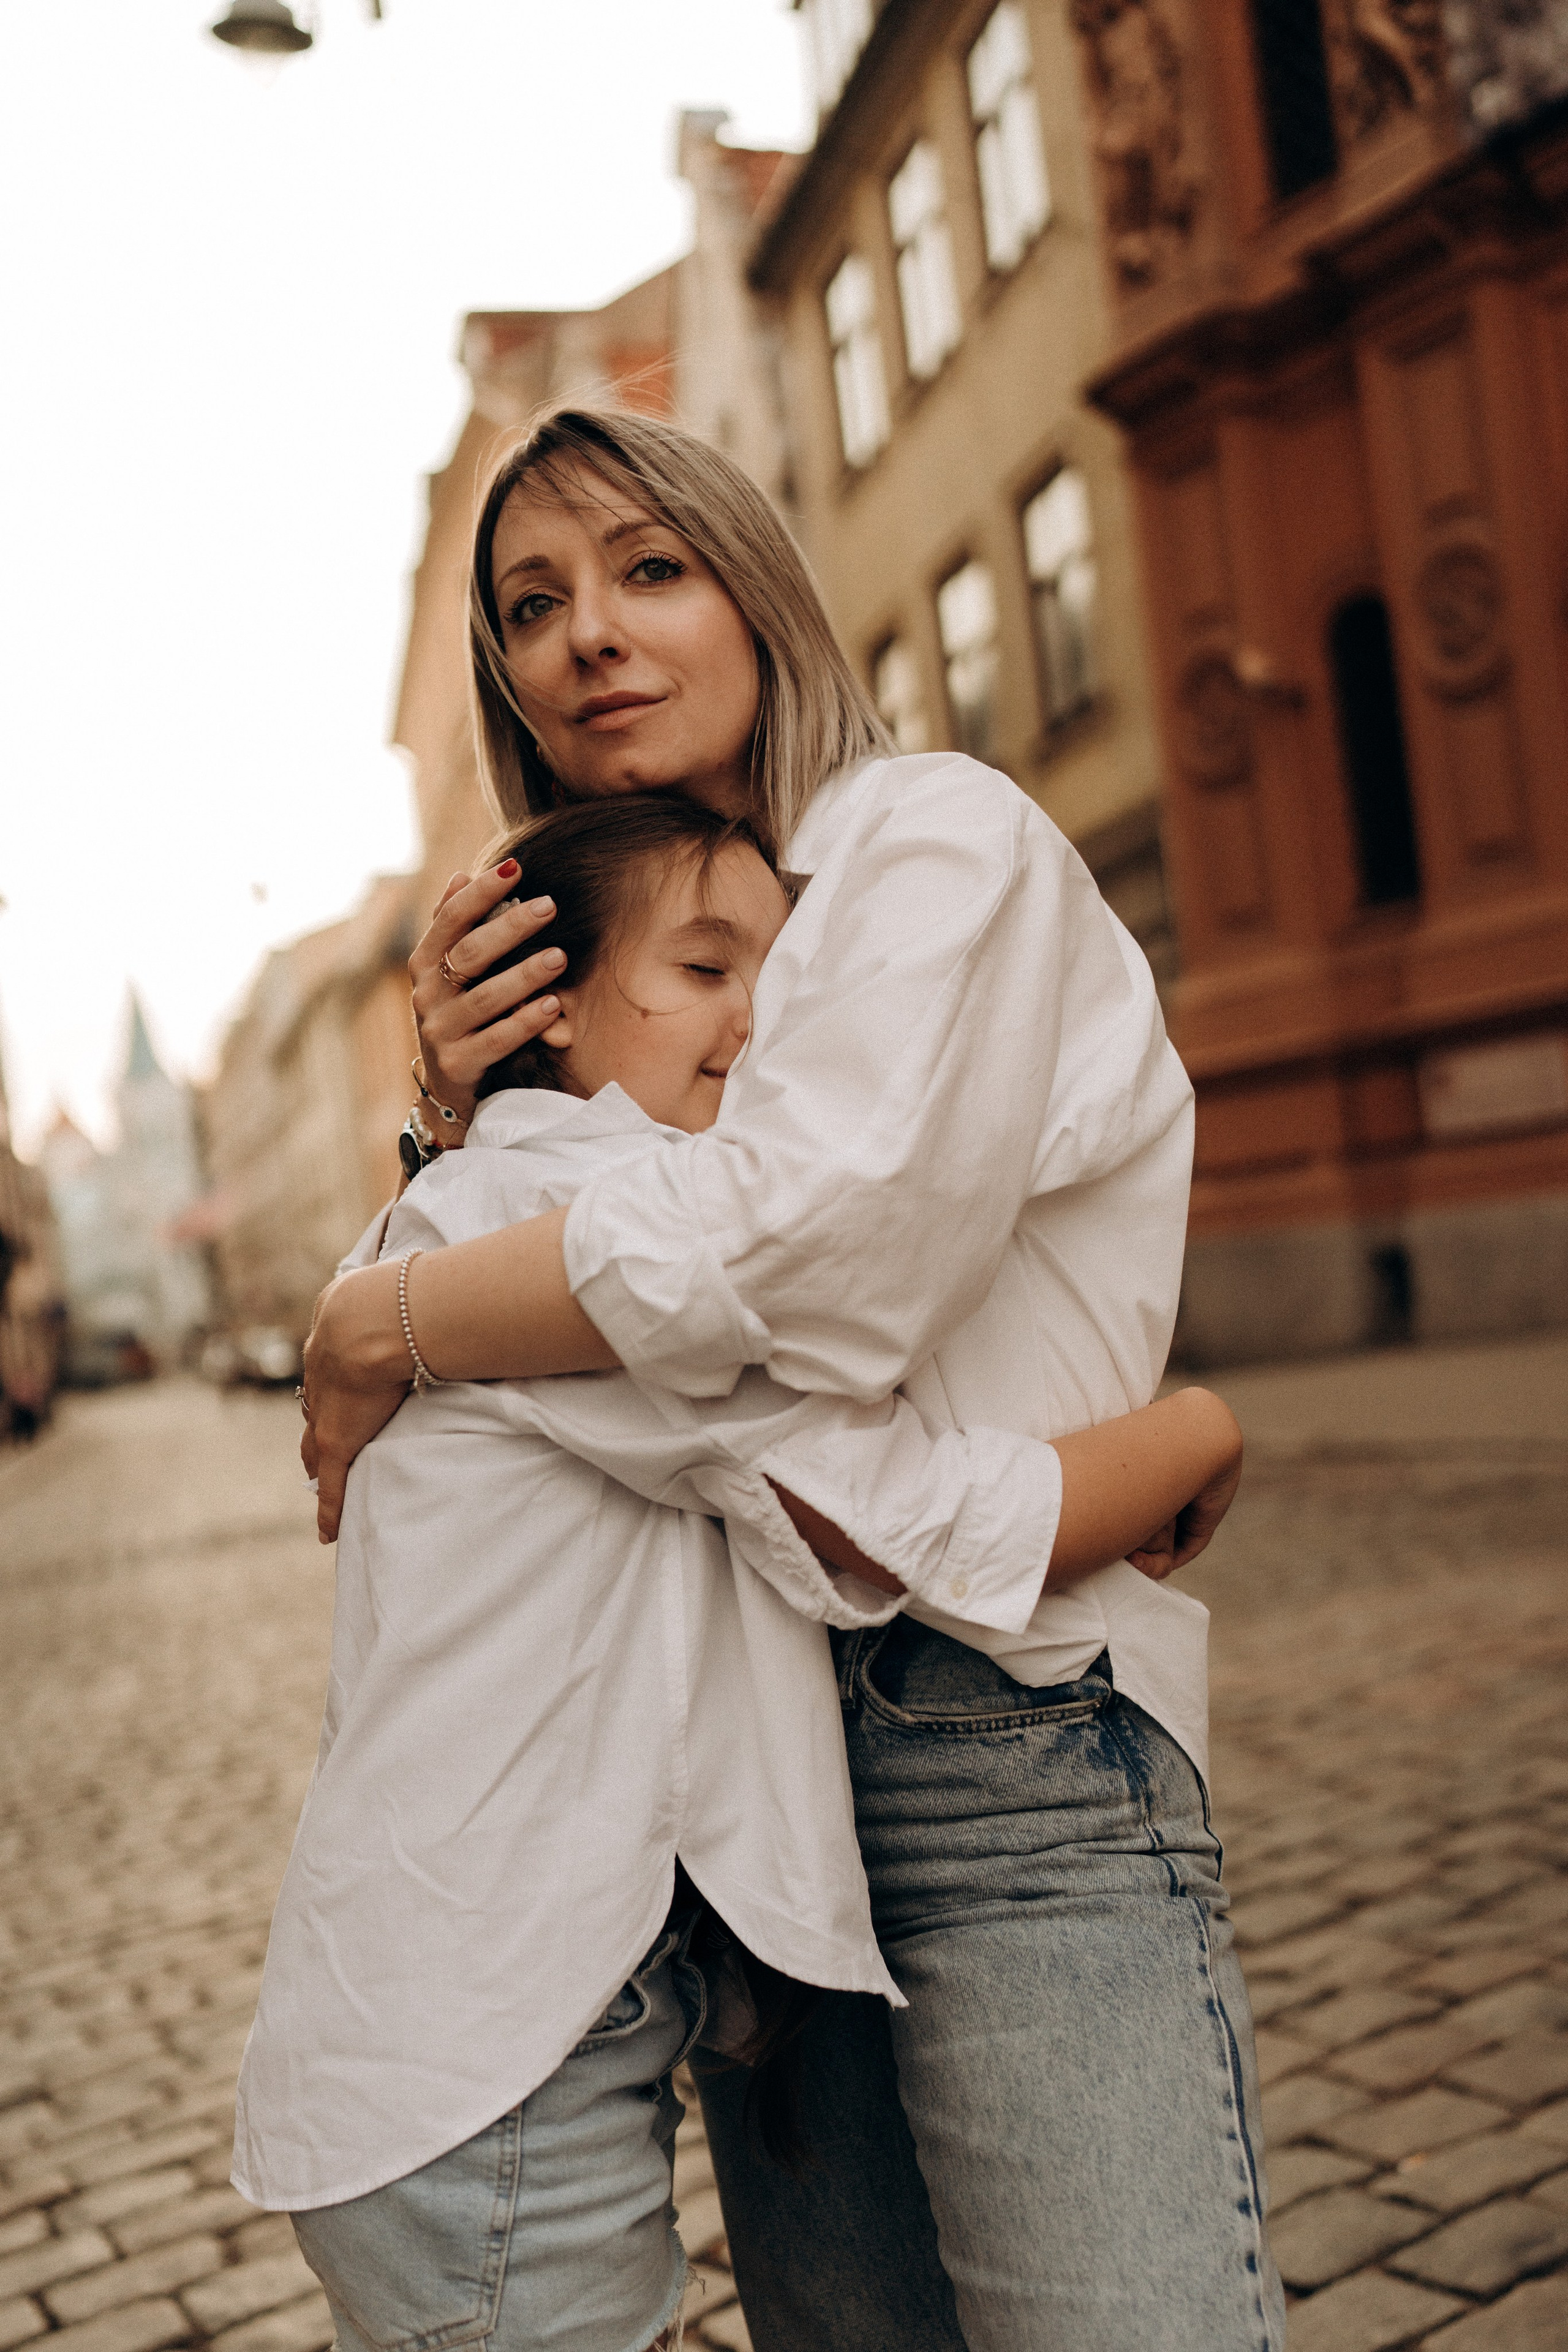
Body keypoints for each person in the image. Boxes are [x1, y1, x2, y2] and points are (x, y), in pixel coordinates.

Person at [300, 407, 1286, 2351]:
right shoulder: (649, 992)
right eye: (531, 603)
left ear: (756, 591)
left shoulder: (934, 842)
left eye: (650, 569)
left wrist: (386, 1322)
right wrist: (456, 1129)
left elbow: (800, 1268)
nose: (587, 633)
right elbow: (533, 1405)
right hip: (745, 1819)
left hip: (1003, 1748)